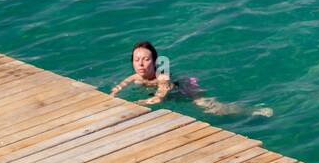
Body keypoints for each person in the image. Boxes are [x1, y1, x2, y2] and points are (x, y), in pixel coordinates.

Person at [109, 40, 272, 116]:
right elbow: (118, 88)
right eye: (137, 60)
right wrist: (113, 96)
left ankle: (254, 110)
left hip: (183, 88)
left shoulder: (162, 75)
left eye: (146, 59)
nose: (141, 64)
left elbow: (159, 97)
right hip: (171, 96)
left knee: (213, 109)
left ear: (155, 62)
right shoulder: (134, 76)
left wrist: (136, 103)